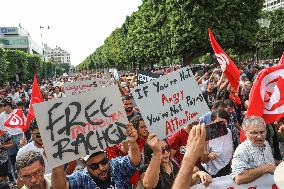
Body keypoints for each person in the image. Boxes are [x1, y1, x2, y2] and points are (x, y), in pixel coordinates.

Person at [52, 123, 141, 189]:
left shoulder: (116, 166)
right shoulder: (81, 178)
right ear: (84, 163)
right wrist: (57, 166)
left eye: (104, 162)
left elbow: (134, 161)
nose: (102, 168)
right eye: (94, 166)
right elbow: (61, 187)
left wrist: (132, 142)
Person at [140, 134, 211, 189]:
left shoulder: (173, 163)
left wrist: (198, 174)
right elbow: (148, 184)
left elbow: (182, 182)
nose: (165, 152)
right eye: (160, 150)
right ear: (151, 153)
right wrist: (157, 154)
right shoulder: (146, 170)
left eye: (167, 148)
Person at [231, 116, 276, 185]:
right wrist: (265, 168)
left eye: (262, 132)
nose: (259, 136)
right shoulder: (242, 150)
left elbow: (269, 162)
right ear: (246, 133)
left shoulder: (266, 143)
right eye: (254, 133)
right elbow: (239, 178)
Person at [172, 124, 207, 189]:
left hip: (197, 173)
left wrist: (204, 152)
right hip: (181, 175)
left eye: (197, 118)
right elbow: (169, 158)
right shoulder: (178, 134)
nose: (196, 120)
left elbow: (203, 160)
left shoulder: (200, 133)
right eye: (193, 118)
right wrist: (185, 166)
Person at [201, 109, 233, 178]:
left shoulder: (228, 131)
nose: (220, 125)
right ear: (212, 122)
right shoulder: (206, 134)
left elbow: (230, 147)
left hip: (226, 167)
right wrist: (208, 155)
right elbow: (203, 160)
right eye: (217, 123)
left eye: (223, 122)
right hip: (212, 172)